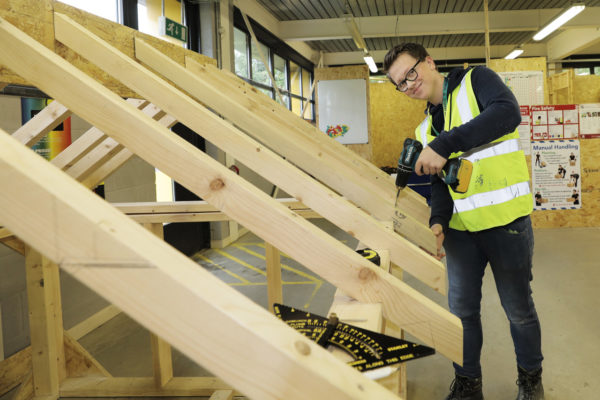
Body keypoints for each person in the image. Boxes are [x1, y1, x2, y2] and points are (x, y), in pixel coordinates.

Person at [383, 43, 544, 400]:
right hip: (460, 235)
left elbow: (508, 113)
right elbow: (440, 184)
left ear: (429, 62)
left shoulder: (477, 81)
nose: (408, 84)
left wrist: (445, 145)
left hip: (507, 224)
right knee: (462, 314)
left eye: (411, 73)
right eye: (400, 83)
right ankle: (469, 383)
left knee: (518, 310)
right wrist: (438, 221)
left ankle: (530, 380)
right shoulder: (424, 129)